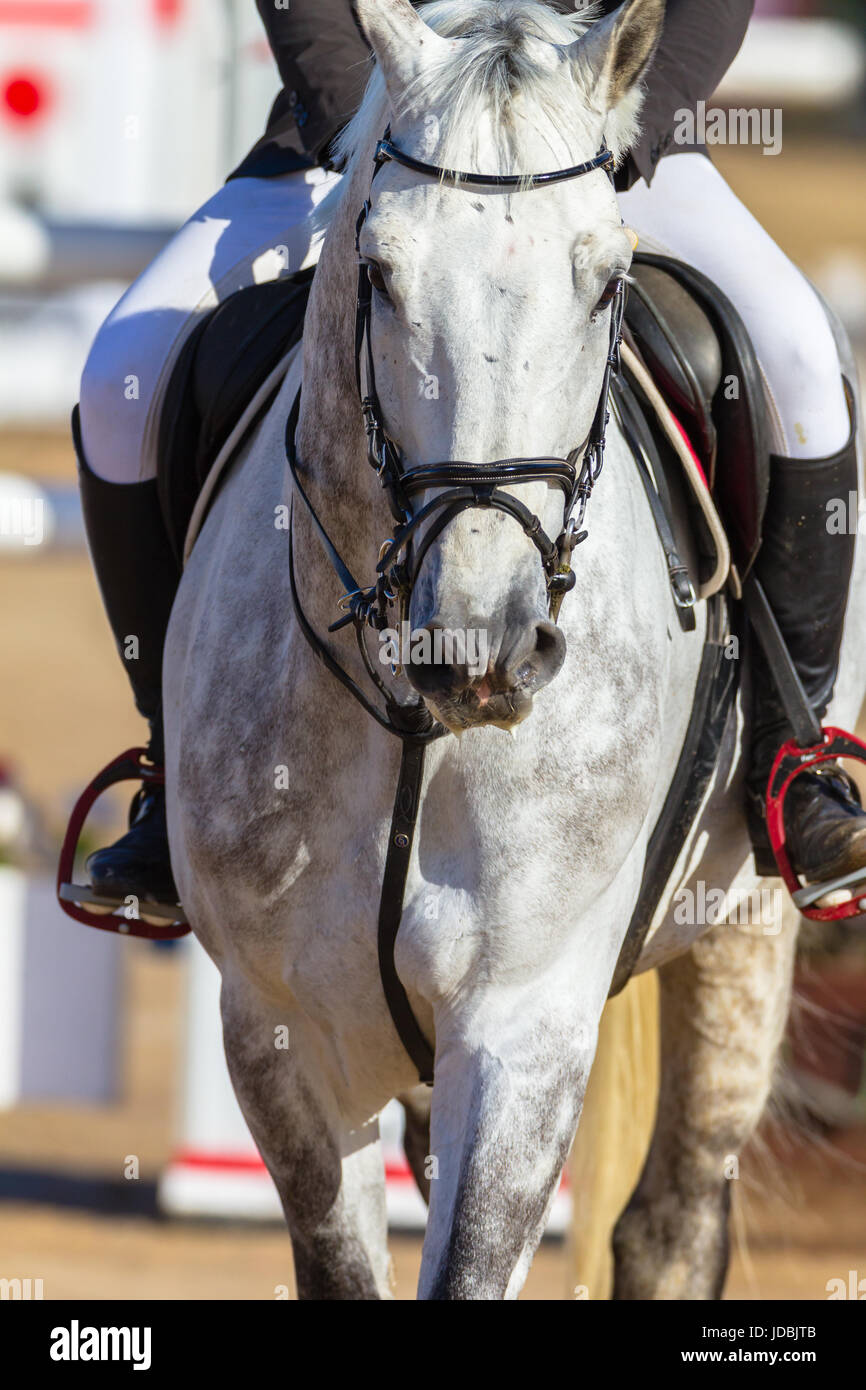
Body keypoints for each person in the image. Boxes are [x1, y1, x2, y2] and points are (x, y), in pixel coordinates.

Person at [75, 0, 865, 910]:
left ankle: (796, 761)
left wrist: (609, 119)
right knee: (119, 378)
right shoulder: (360, 119)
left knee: (800, 365)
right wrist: (365, 126)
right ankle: (173, 771)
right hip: (364, 121)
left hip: (595, 114)